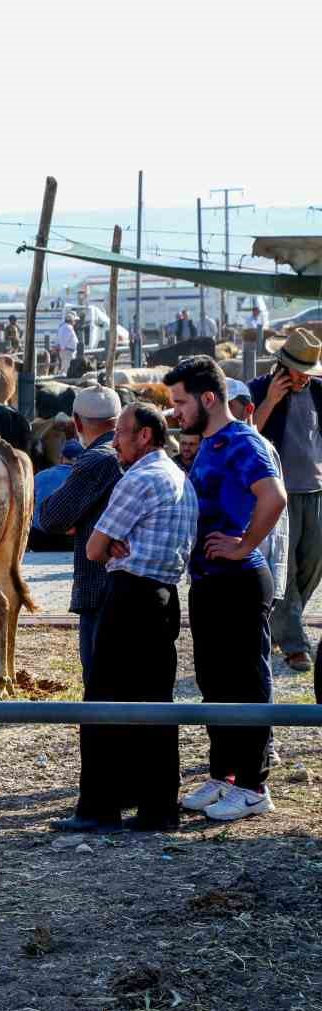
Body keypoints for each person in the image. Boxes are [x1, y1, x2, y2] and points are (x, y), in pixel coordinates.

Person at [52, 402, 198, 833]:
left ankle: (100, 806)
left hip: (129, 596)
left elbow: (95, 549)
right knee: (156, 703)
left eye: (122, 433)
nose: (115, 442)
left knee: (103, 702)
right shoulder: (178, 478)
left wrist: (109, 541)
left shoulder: (138, 480)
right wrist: (113, 539)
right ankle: (157, 808)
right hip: (163, 596)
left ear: (145, 436)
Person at [165, 355, 286, 822]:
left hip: (239, 579)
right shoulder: (211, 443)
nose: (175, 412)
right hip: (210, 582)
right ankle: (224, 775)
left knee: (245, 682)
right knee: (215, 681)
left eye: (180, 402)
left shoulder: (241, 442)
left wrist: (243, 544)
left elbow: (273, 496)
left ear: (208, 398)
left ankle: (255, 786)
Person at [36, 386, 125, 686]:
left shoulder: (95, 460)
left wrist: (78, 515)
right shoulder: (139, 454)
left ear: (76, 420)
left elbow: (51, 518)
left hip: (100, 586)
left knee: (100, 682)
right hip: (138, 584)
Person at [248, 328, 322, 671]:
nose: (304, 377)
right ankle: (295, 643)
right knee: (287, 568)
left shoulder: (319, 392)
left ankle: (282, 622)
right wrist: (270, 403)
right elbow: (248, 435)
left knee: (312, 562)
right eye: (298, 369)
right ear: (283, 365)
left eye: (308, 370)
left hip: (316, 489)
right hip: (278, 492)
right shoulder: (260, 389)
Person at [228, 376, 289, 606]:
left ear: (248, 409)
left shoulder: (257, 448)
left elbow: (275, 508)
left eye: (230, 406)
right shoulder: (215, 444)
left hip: (251, 562)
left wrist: (244, 547)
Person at [54, 313, 80, 378]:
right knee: (67, 368)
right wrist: (63, 348)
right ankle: (64, 380)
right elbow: (64, 339)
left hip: (67, 351)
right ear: (71, 320)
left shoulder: (63, 326)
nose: (75, 322)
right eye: (74, 320)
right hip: (67, 351)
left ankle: (63, 378)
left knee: (64, 367)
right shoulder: (68, 327)